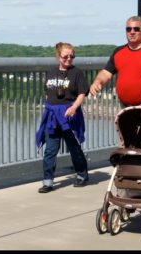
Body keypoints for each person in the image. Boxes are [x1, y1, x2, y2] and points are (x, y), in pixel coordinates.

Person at [36, 42, 89, 193]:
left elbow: (82, 93)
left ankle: (82, 174)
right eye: (65, 56)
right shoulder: (51, 71)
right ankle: (48, 181)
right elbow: (47, 91)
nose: (69, 59)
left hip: (68, 115)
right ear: (58, 56)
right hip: (52, 116)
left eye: (72, 56)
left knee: (73, 147)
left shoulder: (76, 73)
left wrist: (73, 108)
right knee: (50, 150)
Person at [89, 16, 141, 106]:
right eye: (128, 29)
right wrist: (97, 82)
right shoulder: (118, 52)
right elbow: (106, 73)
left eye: (136, 29)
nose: (132, 32)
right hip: (125, 107)